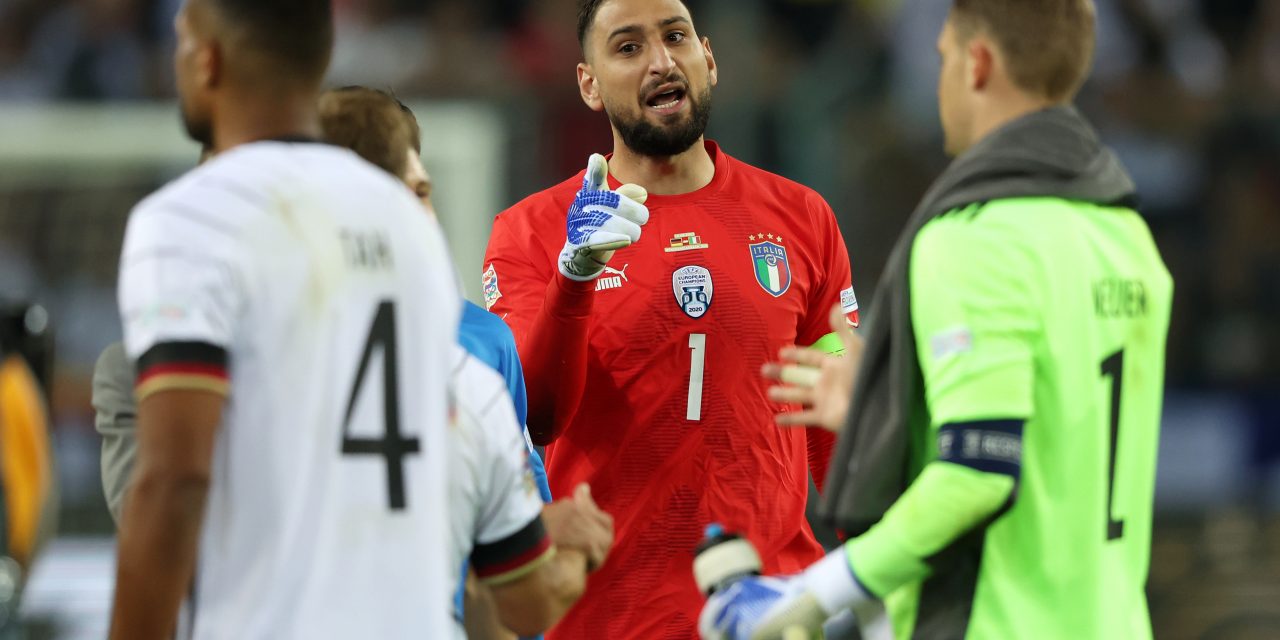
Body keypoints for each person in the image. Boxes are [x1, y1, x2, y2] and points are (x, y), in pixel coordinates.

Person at [700, 1, 1173, 638]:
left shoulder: (975, 239)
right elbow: (1049, 453)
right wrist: (894, 409)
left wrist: (815, 592)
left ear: (977, 64)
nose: (940, 77)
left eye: (944, 57)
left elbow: (977, 474)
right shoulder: (1126, 235)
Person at [482, 0, 860, 636]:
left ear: (707, 59)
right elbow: (539, 413)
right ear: (589, 85)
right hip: (607, 618)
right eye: (627, 48)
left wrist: (886, 570)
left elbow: (839, 424)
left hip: (770, 612)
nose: (660, 61)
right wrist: (574, 278)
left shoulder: (802, 218)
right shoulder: (530, 233)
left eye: (675, 37)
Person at [108, 0, 463, 637]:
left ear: (207, 59)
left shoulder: (190, 219)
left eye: (182, 39)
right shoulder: (411, 223)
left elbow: (174, 480)